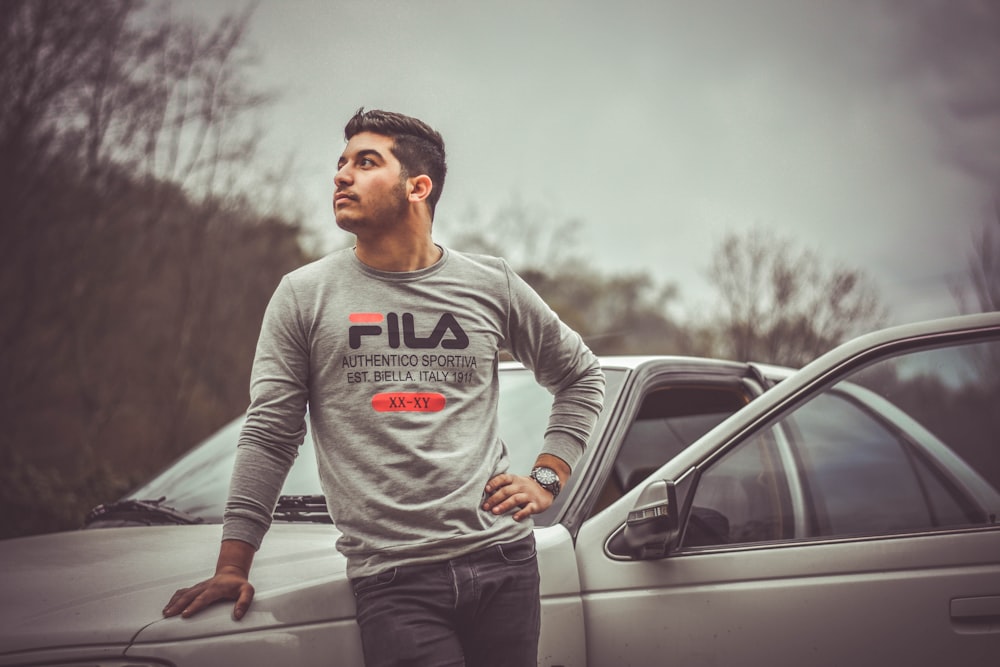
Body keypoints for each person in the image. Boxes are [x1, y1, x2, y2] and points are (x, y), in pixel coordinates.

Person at [162, 108, 605, 667]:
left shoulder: (491, 284)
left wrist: (548, 475)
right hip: (394, 581)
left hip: (503, 563)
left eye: (365, 162)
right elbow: (271, 434)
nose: (341, 175)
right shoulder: (304, 295)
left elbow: (581, 376)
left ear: (418, 187)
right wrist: (233, 565)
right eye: (341, 163)